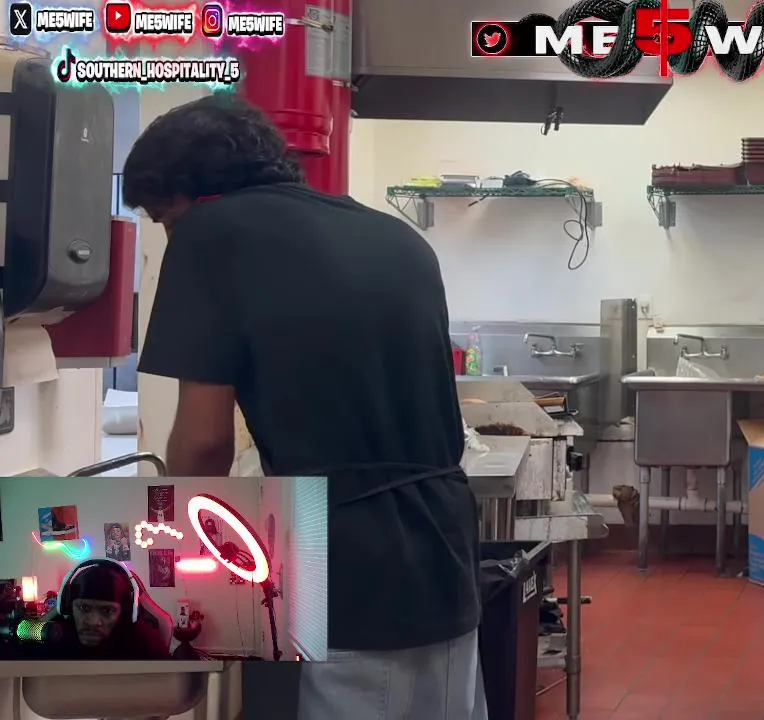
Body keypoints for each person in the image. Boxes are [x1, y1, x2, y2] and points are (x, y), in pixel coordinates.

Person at [122, 95, 486, 719]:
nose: (168, 236)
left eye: (164, 218)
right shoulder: (396, 236)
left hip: (347, 564)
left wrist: (170, 555)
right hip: (446, 552)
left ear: (195, 196)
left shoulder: (211, 234)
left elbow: (204, 443)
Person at [32, 559, 171, 660]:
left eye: (107, 611)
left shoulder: (145, 644)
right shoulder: (56, 636)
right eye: (84, 607)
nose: (93, 622)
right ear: (67, 605)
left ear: (126, 611)